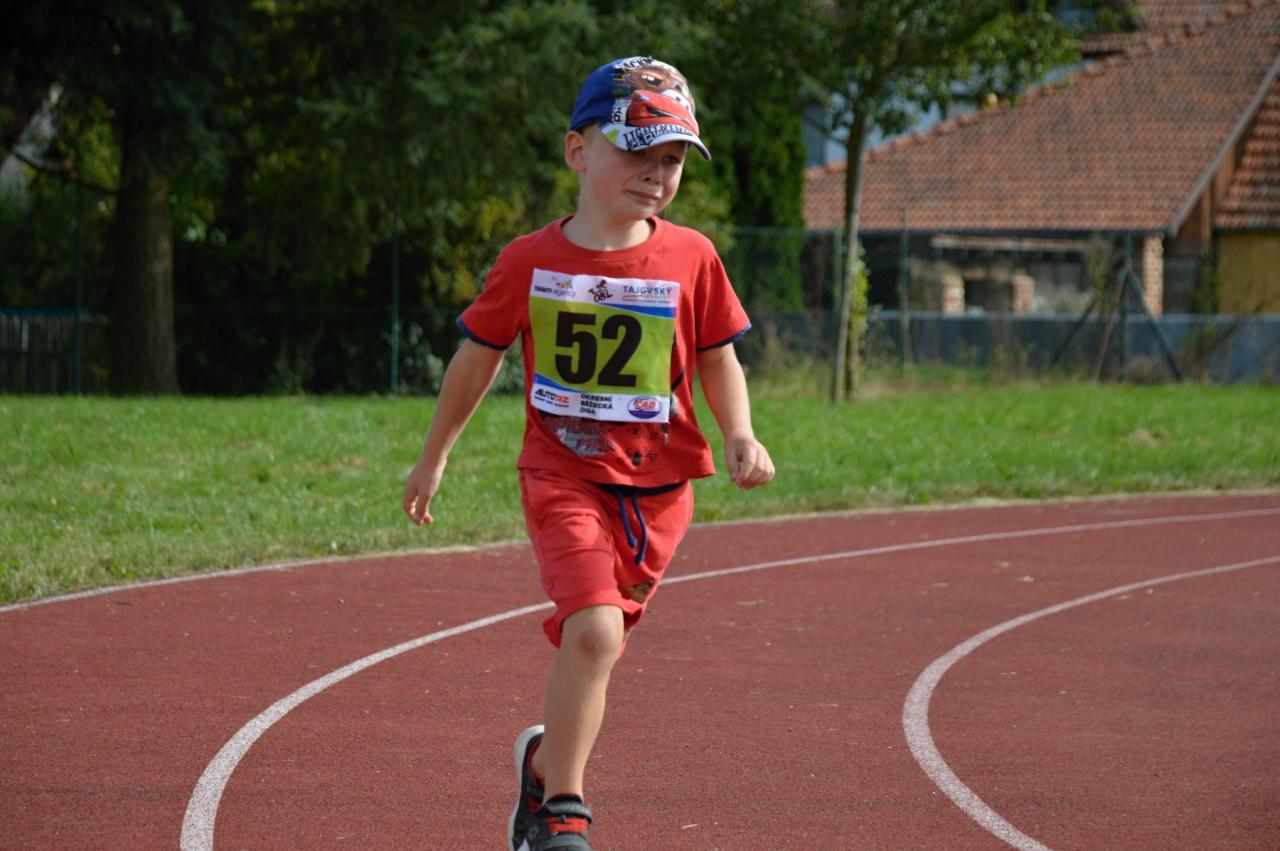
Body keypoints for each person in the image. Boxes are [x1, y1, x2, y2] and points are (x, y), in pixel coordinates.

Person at [401, 55, 774, 851]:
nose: (656, 173)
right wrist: (434, 457)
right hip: (562, 476)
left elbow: (718, 357)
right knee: (596, 632)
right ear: (578, 150)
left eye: (672, 159)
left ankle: (543, 766)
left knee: (597, 647)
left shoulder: (693, 257)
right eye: (637, 151)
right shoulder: (530, 260)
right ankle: (561, 811)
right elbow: (477, 356)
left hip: (662, 492)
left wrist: (740, 432)